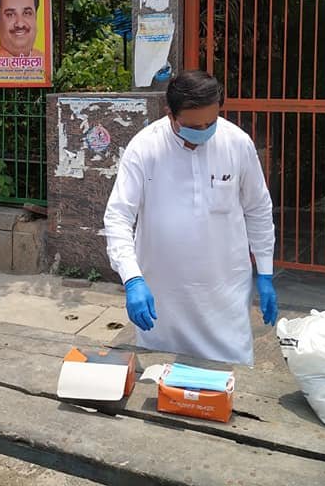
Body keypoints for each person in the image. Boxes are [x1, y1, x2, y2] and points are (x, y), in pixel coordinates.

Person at [102, 71, 278, 366]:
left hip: (224, 291)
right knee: (161, 375)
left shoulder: (237, 143)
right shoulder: (145, 147)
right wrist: (132, 278)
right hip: (164, 294)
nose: (204, 132)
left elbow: (258, 208)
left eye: (211, 123)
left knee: (228, 376)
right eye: (194, 127)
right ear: (170, 115)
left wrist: (265, 271)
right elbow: (118, 216)